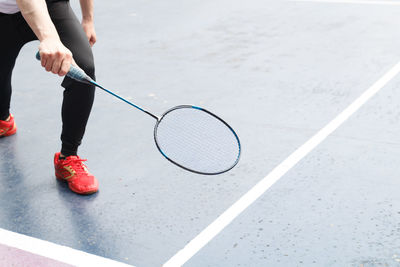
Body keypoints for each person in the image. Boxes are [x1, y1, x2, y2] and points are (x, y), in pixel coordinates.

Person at [0, 0, 99, 195]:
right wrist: (49, 37)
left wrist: (87, 19)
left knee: (84, 67)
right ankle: (3, 120)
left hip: (51, 5)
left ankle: (68, 157)